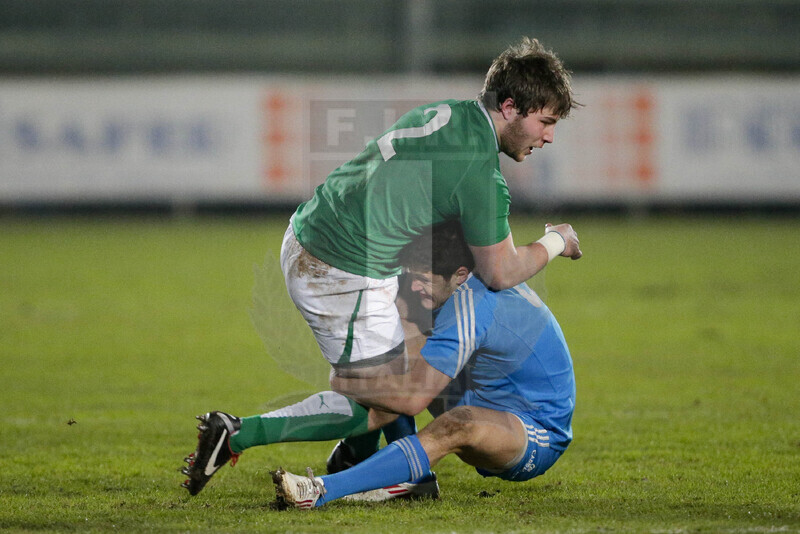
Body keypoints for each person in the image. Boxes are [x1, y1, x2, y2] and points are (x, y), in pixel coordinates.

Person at [181, 36, 581, 495]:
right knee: (386, 399)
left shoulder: (449, 113)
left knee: (403, 370)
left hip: (312, 230)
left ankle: (384, 463)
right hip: (339, 268)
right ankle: (241, 434)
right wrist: (558, 240)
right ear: (510, 107)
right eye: (545, 121)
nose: (548, 136)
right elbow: (500, 272)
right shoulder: (481, 176)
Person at [271, 221, 576, 509]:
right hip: (478, 392)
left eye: (424, 280)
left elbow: (412, 399)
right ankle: (387, 466)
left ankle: (320, 490)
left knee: (456, 420)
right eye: (412, 276)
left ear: (458, 274)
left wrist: (344, 380)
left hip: (534, 426)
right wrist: (558, 239)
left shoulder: (473, 307)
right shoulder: (472, 275)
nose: (415, 286)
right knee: (393, 351)